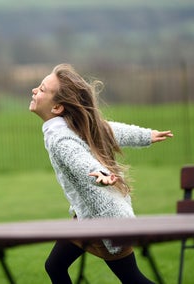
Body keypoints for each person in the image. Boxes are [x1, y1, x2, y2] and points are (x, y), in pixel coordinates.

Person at [29, 63, 173, 284]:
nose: (34, 91)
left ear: (57, 107)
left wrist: (99, 173)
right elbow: (105, 128)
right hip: (86, 217)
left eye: (41, 89)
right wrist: (146, 135)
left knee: (131, 278)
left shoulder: (60, 138)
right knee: (55, 266)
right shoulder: (67, 127)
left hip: (105, 219)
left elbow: (80, 160)